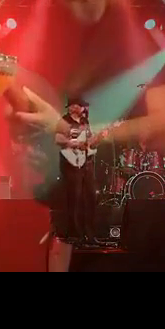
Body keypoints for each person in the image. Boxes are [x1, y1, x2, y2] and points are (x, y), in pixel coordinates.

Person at [6, 0, 165, 271]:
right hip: (78, 191)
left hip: (117, 205)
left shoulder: (161, 10)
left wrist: (73, 133)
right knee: (66, 231)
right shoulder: (91, 23)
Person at [54, 97, 98, 244]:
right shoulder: (64, 121)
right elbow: (58, 139)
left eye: (84, 107)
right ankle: (75, 234)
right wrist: (72, 143)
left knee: (91, 196)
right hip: (71, 163)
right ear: (72, 107)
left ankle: (89, 234)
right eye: (81, 106)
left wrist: (97, 139)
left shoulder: (85, 122)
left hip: (86, 162)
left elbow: (89, 141)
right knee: (75, 198)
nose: (84, 109)